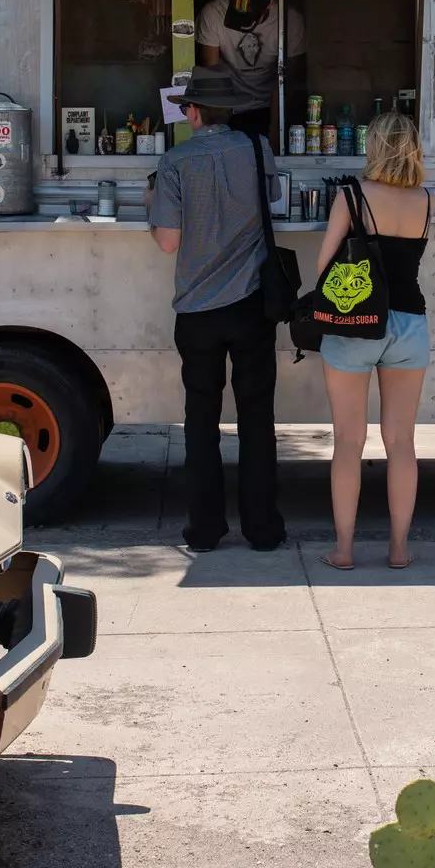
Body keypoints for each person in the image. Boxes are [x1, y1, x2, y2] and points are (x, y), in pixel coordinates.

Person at [148, 67, 287, 553]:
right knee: (257, 419)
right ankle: (263, 529)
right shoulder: (257, 149)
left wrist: (154, 204)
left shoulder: (175, 161)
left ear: (195, 111)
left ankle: (205, 531)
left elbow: (168, 243)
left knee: (201, 422)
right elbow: (272, 200)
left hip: (199, 311)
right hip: (252, 305)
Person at [311, 112, 430, 570]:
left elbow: (325, 269)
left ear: (375, 147)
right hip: (409, 324)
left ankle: (344, 549)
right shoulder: (425, 201)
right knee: (401, 442)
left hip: (357, 323)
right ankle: (399, 548)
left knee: (348, 441)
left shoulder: (351, 197)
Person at [196, 0, 305, 143]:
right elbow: (213, 75)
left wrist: (275, 130)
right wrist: (218, 128)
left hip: (271, 106)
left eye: (250, 19)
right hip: (230, 107)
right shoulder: (214, 12)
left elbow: (285, 82)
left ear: (269, 4)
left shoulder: (289, 19)